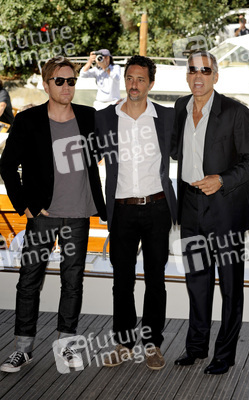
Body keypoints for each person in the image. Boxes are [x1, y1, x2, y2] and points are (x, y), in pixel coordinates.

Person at [0, 56, 106, 373]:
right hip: (42, 215)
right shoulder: (29, 120)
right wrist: (25, 206)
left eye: (71, 80)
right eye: (59, 81)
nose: (66, 86)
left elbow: (102, 154)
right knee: (29, 282)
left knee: (72, 283)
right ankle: (22, 349)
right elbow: (6, 165)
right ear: (47, 84)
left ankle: (66, 347)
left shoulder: (89, 117)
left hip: (79, 215)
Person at [171, 50, 249, 375]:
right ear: (187, 75)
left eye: (205, 71)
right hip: (191, 209)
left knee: (230, 285)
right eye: (193, 70)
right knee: (196, 279)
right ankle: (195, 348)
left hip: (226, 210)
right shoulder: (181, 106)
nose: (198, 76)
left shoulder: (237, 112)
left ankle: (224, 354)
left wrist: (221, 180)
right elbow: (173, 148)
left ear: (215, 75)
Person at [95, 55, 177, 370]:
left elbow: (190, 152)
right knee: (122, 281)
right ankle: (124, 343)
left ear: (150, 84)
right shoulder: (105, 119)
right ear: (124, 80)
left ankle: (152, 344)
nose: (134, 84)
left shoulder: (166, 118)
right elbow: (88, 161)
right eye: (130, 77)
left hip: (157, 208)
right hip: (122, 210)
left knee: (156, 280)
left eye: (141, 79)